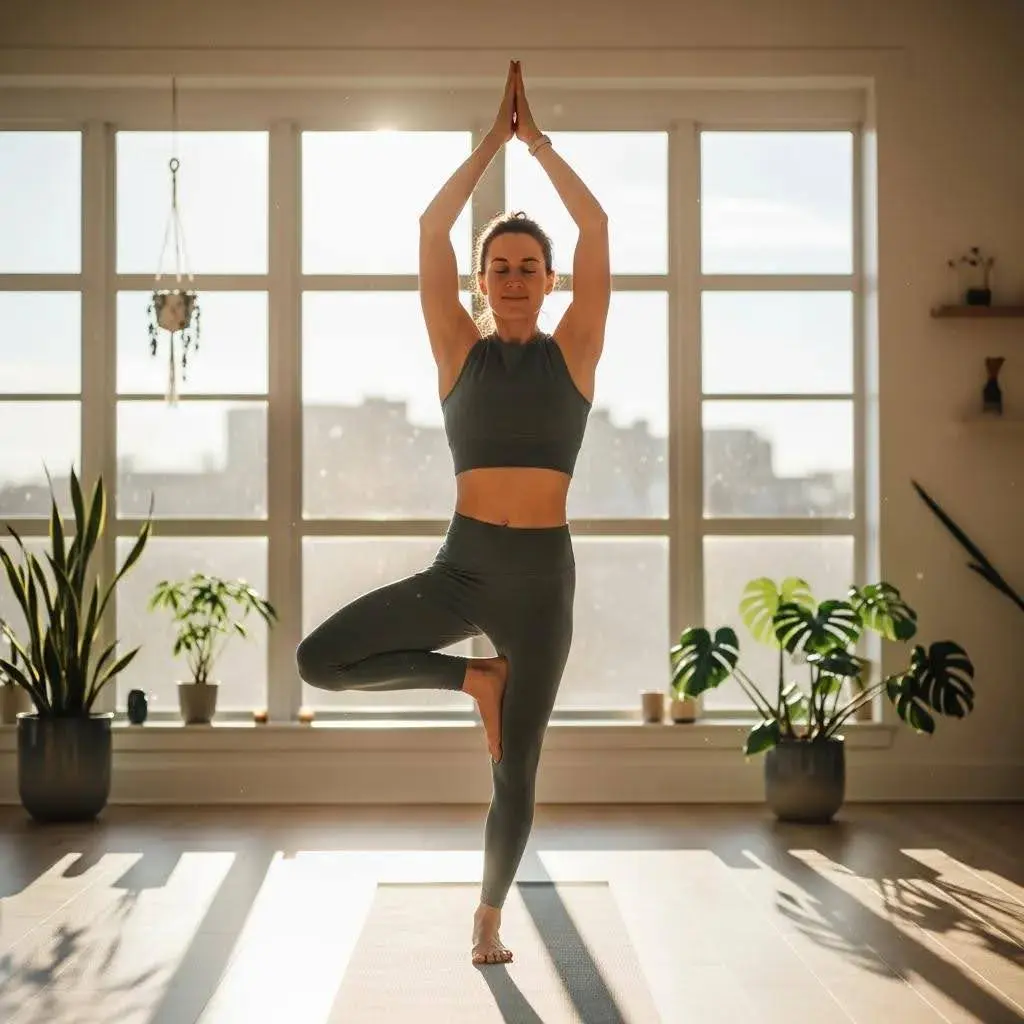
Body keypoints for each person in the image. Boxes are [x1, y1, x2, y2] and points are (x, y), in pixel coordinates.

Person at [296, 59, 610, 966]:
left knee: (518, 766)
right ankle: (472, 682)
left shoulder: (575, 352)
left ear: (550, 281)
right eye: (499, 268)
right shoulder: (458, 352)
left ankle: (488, 915)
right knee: (322, 660)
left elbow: (595, 225)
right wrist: (489, 145)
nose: (514, 278)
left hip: (543, 580)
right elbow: (432, 225)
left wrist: (538, 145)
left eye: (529, 267)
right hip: (465, 567)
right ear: (481, 282)